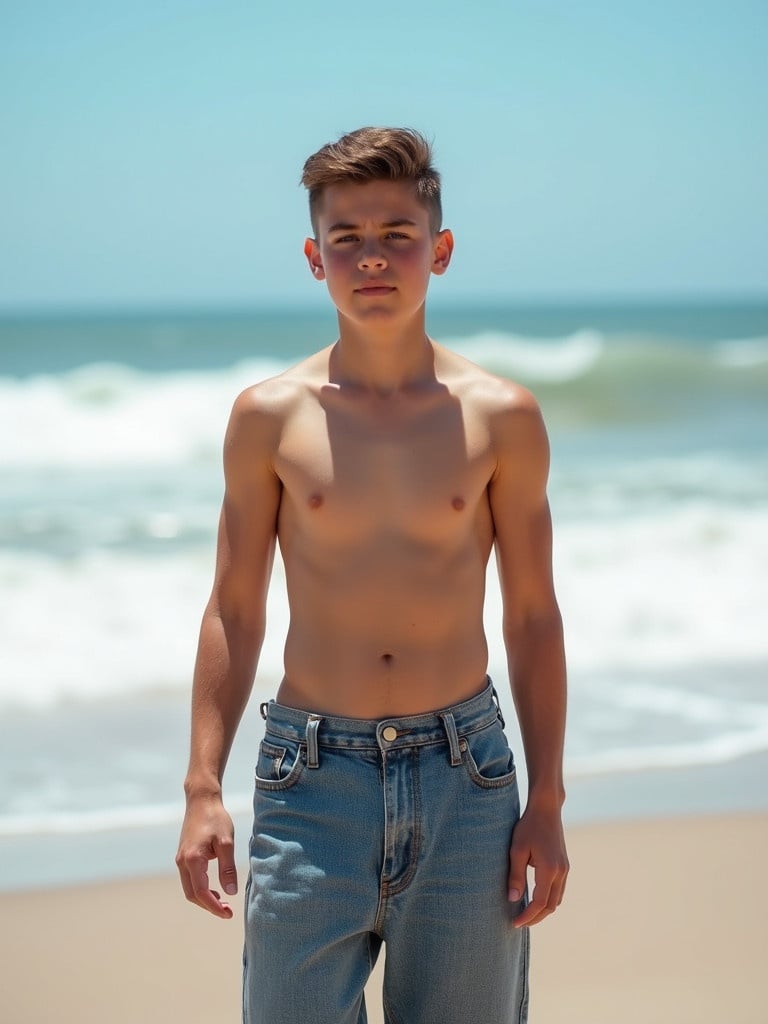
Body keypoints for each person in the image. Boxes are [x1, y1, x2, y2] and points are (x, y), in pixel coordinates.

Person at [176, 127, 568, 1024]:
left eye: (397, 233)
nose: (373, 257)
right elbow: (234, 609)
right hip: (311, 777)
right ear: (316, 260)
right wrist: (203, 788)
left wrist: (544, 799)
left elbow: (534, 617)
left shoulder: (501, 415)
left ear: (441, 250)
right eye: (346, 238)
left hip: (467, 779)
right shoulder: (268, 417)